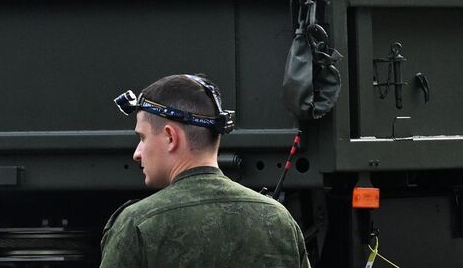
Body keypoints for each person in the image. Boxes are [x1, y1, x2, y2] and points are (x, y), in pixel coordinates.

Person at [102, 73, 311, 267]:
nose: (137, 153)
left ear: (170, 137)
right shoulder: (279, 221)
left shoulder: (137, 224)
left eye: (142, 138)